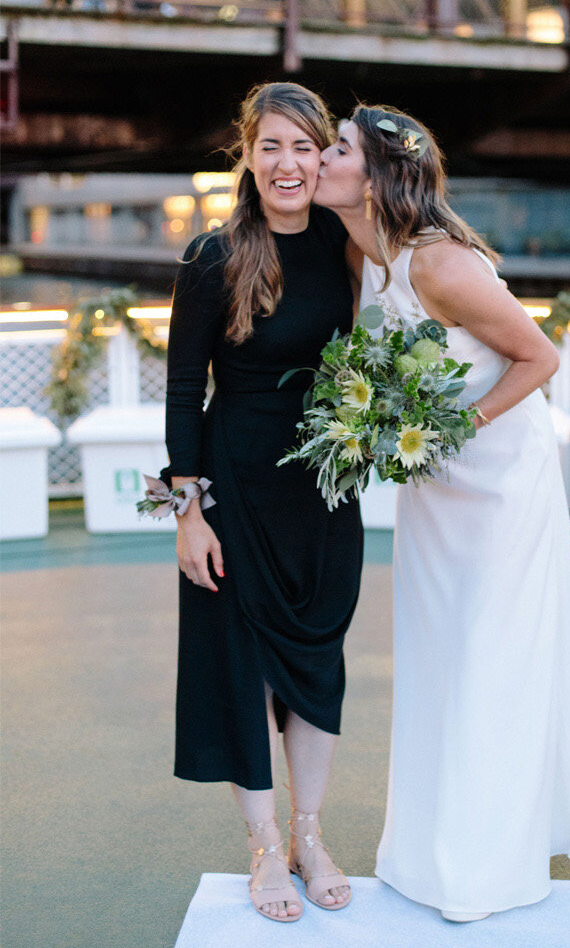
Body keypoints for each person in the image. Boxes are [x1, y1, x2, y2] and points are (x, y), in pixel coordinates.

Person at [314, 104, 570, 922]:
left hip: (499, 488)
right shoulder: (359, 252)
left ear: (372, 178)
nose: (323, 158)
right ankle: (423, 857)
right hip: (432, 490)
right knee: (436, 662)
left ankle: (487, 872)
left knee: (488, 664)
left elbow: (538, 356)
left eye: (336, 149)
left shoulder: (440, 265)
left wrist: (450, 430)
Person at [163, 82, 362, 922]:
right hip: (235, 487)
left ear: (324, 156)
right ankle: (261, 848)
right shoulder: (215, 257)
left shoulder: (348, 247)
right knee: (242, 673)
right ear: (247, 154)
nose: (287, 164)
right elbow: (182, 391)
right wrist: (189, 512)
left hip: (321, 490)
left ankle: (308, 837)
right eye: (270, 146)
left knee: (317, 668)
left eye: (303, 147)